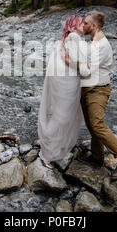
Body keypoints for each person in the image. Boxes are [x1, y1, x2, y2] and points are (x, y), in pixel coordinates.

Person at [65, 11, 117, 180]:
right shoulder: (91, 40)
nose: (83, 25)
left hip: (98, 89)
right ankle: (97, 157)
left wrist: (68, 61)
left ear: (93, 26)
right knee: (91, 125)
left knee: (97, 124)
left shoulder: (102, 45)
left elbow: (88, 69)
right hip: (86, 88)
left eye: (86, 23)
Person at [37, 15, 90, 169]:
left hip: (62, 79)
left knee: (60, 113)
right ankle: (48, 153)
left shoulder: (67, 38)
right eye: (82, 23)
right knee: (63, 116)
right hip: (67, 82)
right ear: (74, 25)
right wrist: (86, 69)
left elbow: (65, 58)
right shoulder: (74, 37)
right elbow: (72, 61)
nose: (84, 25)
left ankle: (53, 146)